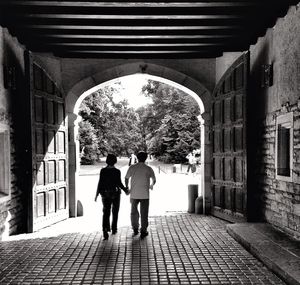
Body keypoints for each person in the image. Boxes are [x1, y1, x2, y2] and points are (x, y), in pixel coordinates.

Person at [95, 154, 129, 240]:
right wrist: (125, 190)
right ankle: (114, 228)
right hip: (115, 193)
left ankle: (105, 230)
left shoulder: (103, 171)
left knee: (106, 212)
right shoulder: (117, 171)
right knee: (115, 211)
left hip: (105, 193)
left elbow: (100, 182)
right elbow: (119, 183)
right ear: (115, 161)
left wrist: (97, 194)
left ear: (107, 161)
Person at [125, 151, 156, 239]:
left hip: (134, 193)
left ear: (137, 158)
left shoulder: (132, 167)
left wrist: (127, 187)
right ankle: (143, 230)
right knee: (144, 213)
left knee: (133, 212)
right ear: (146, 158)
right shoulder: (148, 168)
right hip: (145, 194)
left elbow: (126, 178)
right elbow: (154, 180)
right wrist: (151, 185)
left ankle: (135, 228)